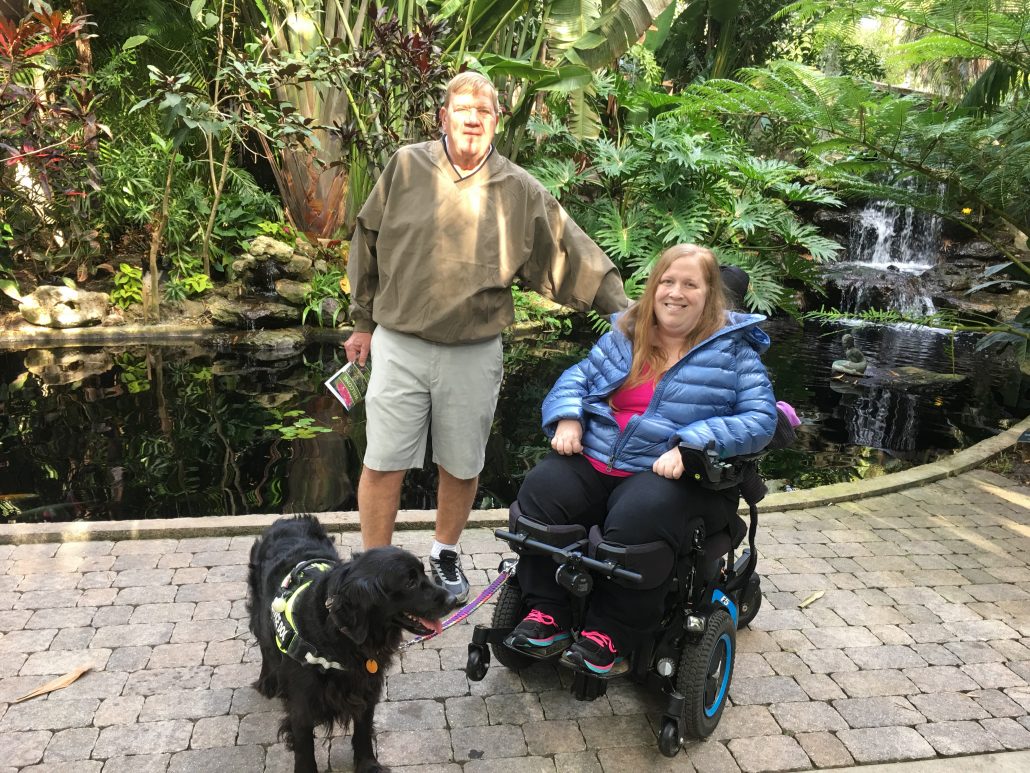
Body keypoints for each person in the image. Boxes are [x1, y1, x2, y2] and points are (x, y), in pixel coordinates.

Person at [344, 71, 629, 603]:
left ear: (497, 121)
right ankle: (371, 568)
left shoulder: (518, 189)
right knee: (383, 460)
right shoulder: (407, 166)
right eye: (462, 109)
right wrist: (362, 320)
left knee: (463, 461)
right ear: (443, 116)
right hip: (399, 343)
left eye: (485, 111)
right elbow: (368, 239)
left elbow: (572, 252)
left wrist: (627, 313)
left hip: (473, 350)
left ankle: (444, 552)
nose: (473, 118)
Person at [506, 244, 777, 675]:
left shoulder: (734, 354)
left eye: (690, 284)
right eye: (667, 282)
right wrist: (568, 417)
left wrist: (692, 443)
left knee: (641, 514)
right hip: (597, 456)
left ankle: (609, 631)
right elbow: (579, 376)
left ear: (710, 295)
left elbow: (762, 418)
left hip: (668, 471)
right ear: (653, 288)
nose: (675, 293)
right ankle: (548, 612)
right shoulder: (626, 334)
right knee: (542, 489)